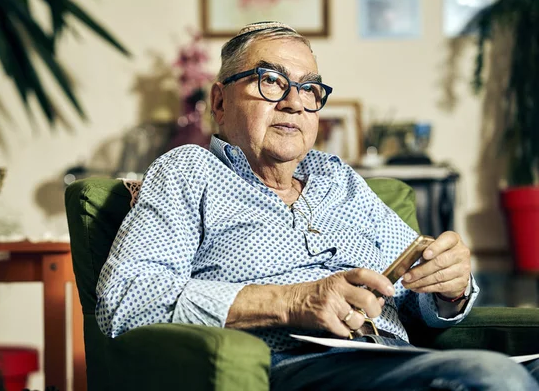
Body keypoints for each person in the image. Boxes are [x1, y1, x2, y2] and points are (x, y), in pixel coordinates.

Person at [96, 22, 539, 390]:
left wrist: (449, 287)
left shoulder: (340, 179)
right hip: (291, 366)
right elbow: (124, 299)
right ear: (219, 102)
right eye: (270, 81)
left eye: (309, 89)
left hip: (397, 361)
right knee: (489, 377)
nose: (293, 102)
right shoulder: (189, 171)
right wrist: (291, 302)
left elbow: (411, 293)